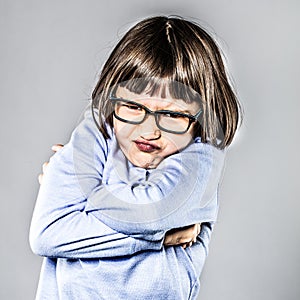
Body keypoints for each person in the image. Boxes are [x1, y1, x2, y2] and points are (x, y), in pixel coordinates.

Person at [29, 15, 241, 299]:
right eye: (131, 106)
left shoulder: (199, 162)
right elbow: (48, 233)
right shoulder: (93, 140)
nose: (148, 130)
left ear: (201, 119)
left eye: (172, 114)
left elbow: (148, 214)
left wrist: (84, 193)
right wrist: (162, 236)